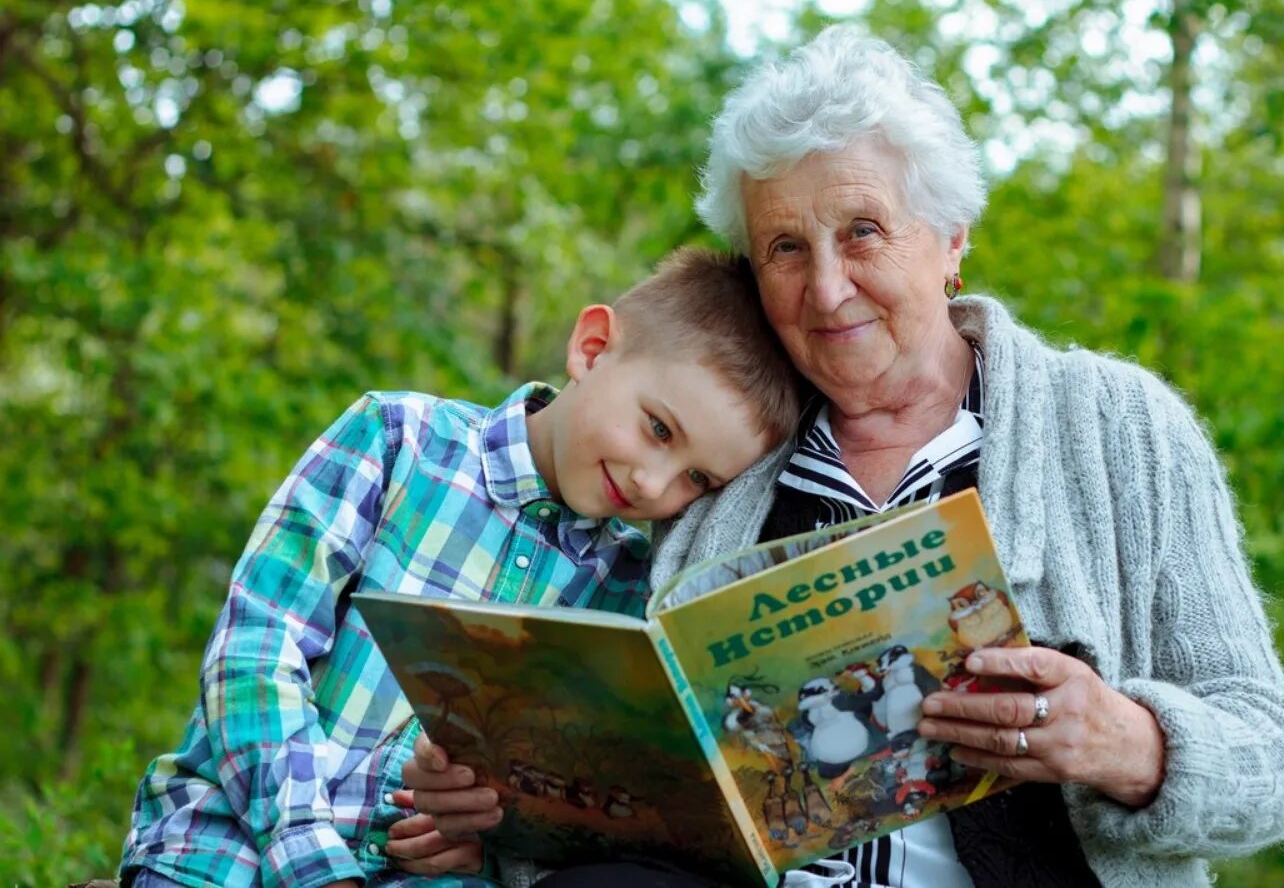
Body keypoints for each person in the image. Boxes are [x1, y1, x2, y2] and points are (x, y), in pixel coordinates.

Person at [407, 26, 1284, 888]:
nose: (829, 286)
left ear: (953, 240)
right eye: (785, 248)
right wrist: (495, 809)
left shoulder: (1120, 427)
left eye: (865, 232)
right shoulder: (715, 461)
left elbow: (1273, 757)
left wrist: (1132, 743)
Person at [118, 248, 801, 888]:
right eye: (658, 428)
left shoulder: (626, 597)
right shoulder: (397, 442)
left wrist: (488, 841)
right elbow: (256, 650)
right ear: (592, 349)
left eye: (698, 479)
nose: (655, 485)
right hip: (227, 842)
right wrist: (309, 851)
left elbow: (563, 798)